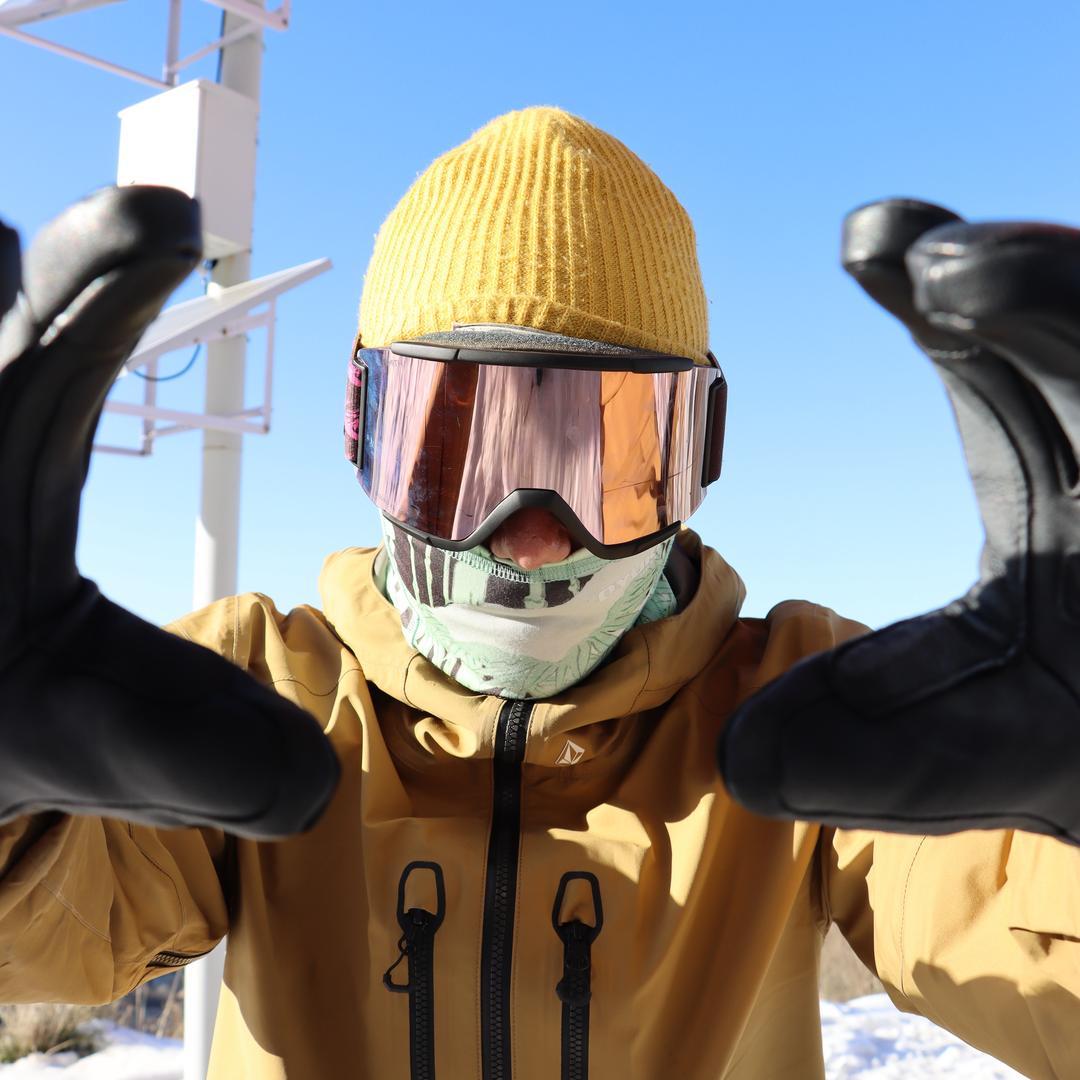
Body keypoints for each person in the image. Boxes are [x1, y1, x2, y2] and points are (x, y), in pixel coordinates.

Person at [0, 106, 1078, 1079]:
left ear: (699, 455)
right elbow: (41, 931)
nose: (526, 534)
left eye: (607, 459)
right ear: (361, 430)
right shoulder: (250, 695)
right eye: (455, 449)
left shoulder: (811, 722)